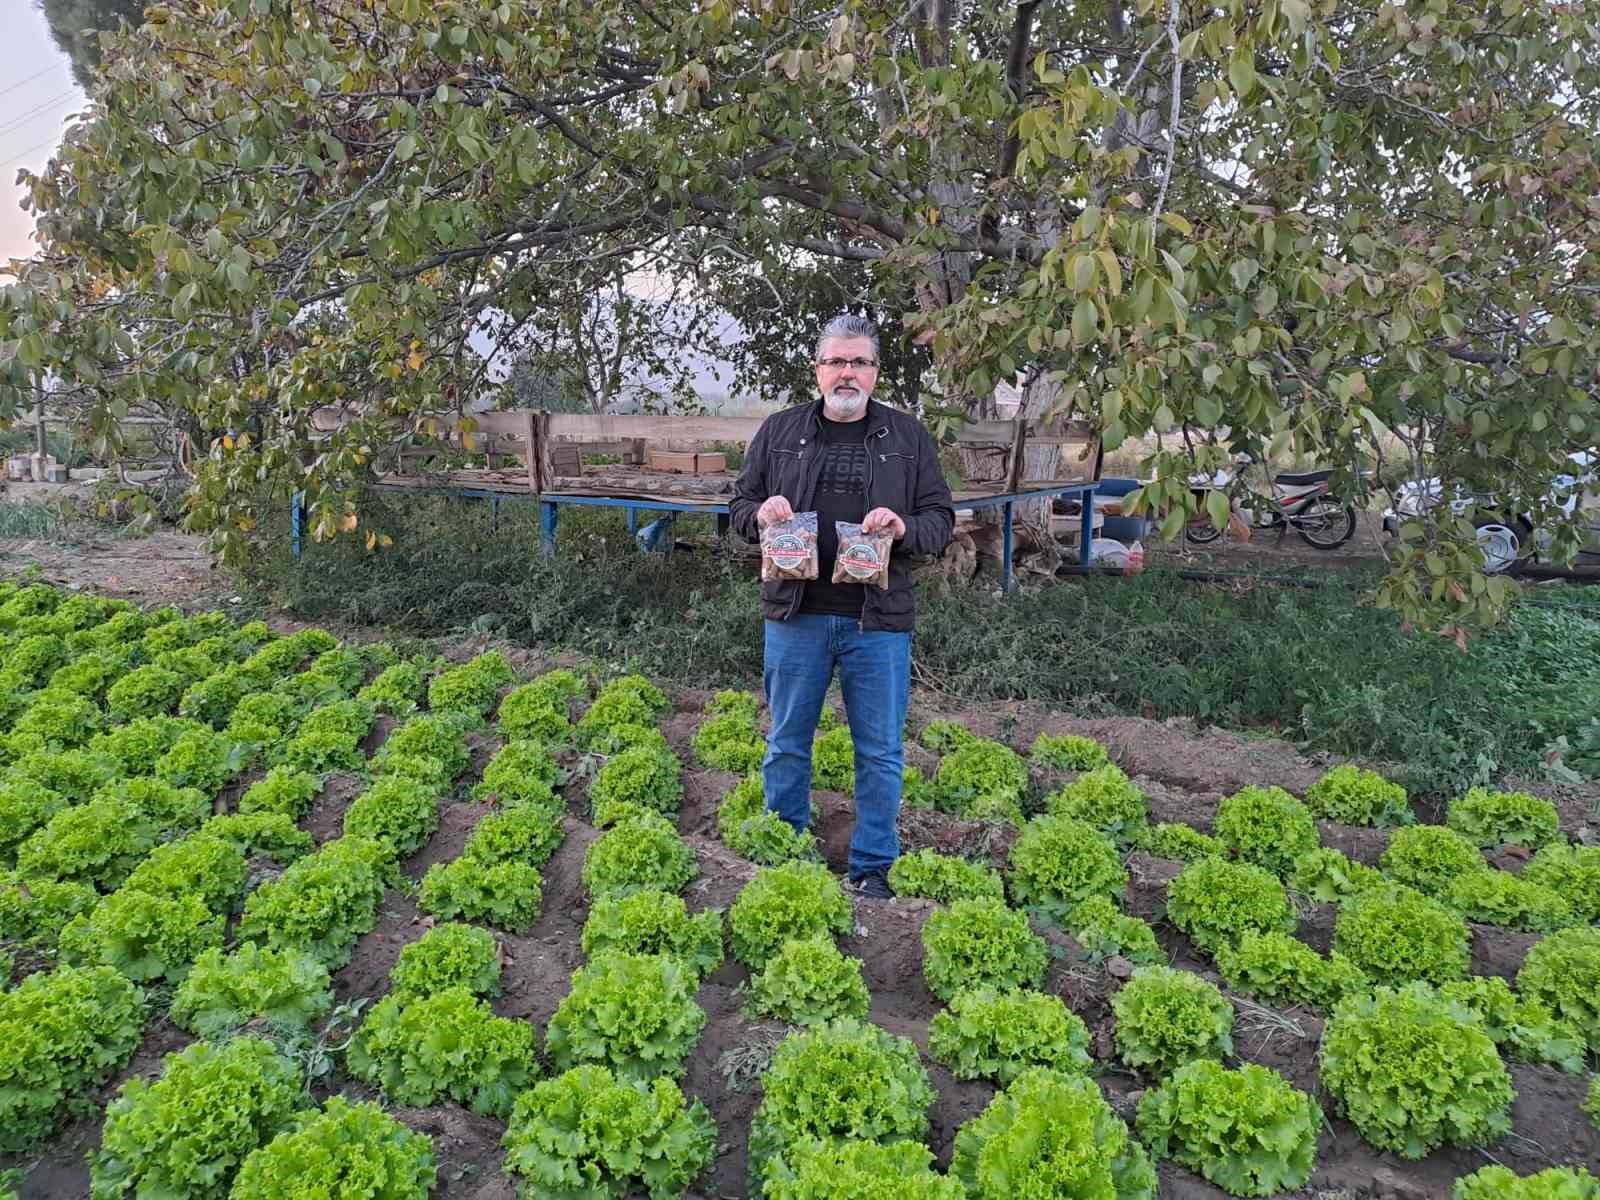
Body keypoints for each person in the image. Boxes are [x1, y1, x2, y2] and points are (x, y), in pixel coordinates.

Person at [730, 314, 955, 899]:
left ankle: (873, 867)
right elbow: (736, 509)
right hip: (795, 615)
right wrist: (760, 515)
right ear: (818, 370)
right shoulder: (780, 432)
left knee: (879, 751)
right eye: (836, 361)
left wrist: (904, 527)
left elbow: (942, 522)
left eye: (859, 362)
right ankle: (784, 850)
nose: (846, 373)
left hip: (876, 623)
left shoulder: (908, 439)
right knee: (785, 743)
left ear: (876, 373)